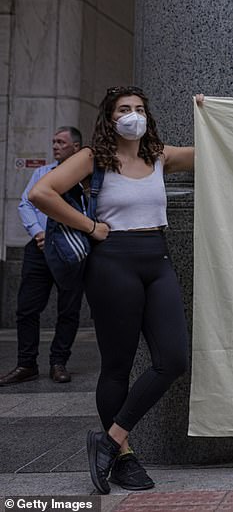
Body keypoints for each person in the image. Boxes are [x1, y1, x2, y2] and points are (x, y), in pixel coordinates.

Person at [29, 86, 199, 493]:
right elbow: (40, 192)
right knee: (117, 365)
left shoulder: (160, 154)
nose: (133, 115)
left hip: (156, 258)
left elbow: (215, 147)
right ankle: (123, 459)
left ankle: (108, 440)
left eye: (139, 108)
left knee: (173, 358)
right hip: (112, 262)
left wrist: (210, 111)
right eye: (124, 109)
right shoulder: (93, 157)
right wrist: (89, 226)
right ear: (109, 117)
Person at [0, 128, 84, 386]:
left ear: (76, 148)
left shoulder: (85, 178)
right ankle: (27, 364)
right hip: (38, 249)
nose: (56, 146)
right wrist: (38, 232)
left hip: (70, 251)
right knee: (26, 309)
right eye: (54, 142)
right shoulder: (42, 173)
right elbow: (26, 203)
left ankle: (58, 362)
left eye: (61, 142)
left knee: (68, 309)